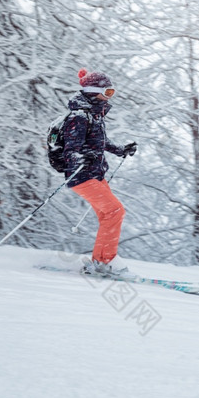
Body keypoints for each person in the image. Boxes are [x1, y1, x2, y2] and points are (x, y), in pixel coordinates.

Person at [63, 68, 137, 276]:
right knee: (115, 211)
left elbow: (100, 142)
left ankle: (100, 260)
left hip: (95, 174)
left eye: (111, 92)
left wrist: (121, 149)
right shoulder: (78, 117)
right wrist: (80, 158)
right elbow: (71, 150)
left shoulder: (94, 115)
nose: (109, 96)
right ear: (93, 91)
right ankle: (106, 261)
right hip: (81, 176)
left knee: (108, 214)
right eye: (108, 91)